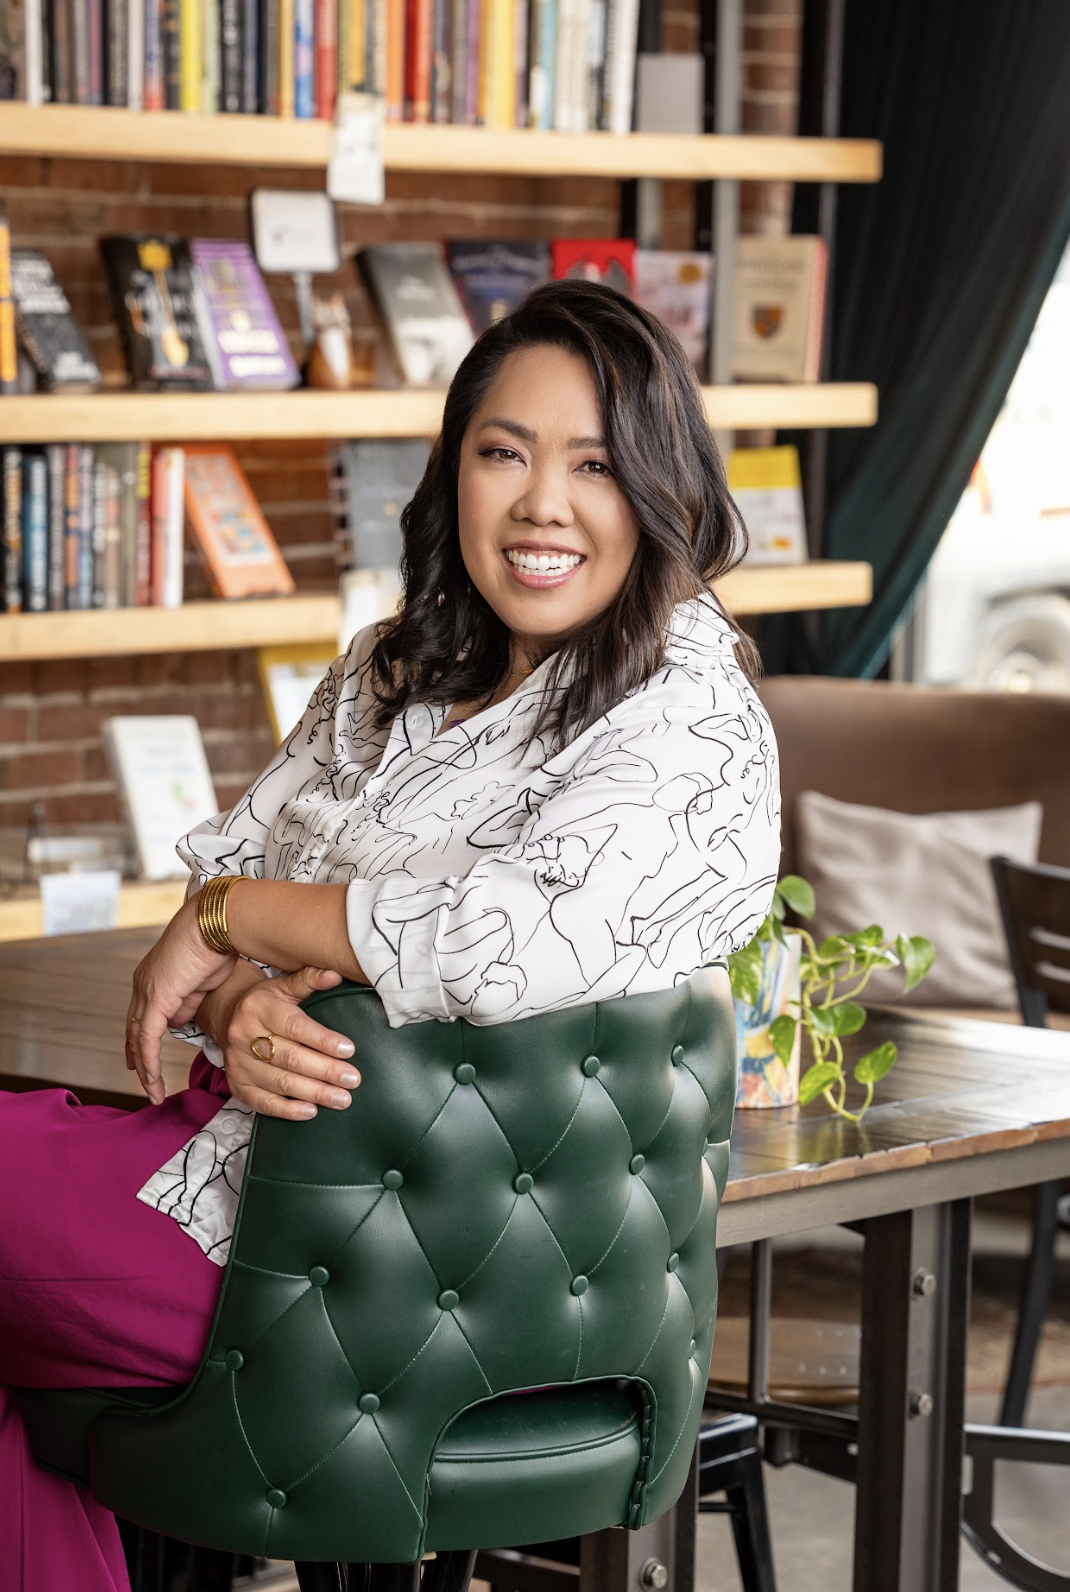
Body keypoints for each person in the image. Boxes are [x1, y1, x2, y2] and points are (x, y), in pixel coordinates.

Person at [0, 278, 781, 1590]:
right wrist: (243, 991)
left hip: (356, 1271)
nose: (541, 503)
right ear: (451, 475)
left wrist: (227, 923)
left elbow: (487, 943)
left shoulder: (687, 716)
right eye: (501, 453)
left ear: (661, 488)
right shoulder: (392, 670)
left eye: (593, 465)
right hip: (229, 1171)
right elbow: (244, 874)